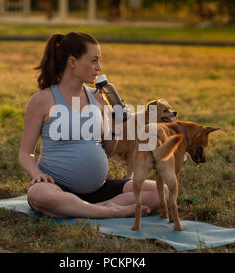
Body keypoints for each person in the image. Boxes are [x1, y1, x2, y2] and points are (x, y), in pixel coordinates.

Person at [19, 32, 169, 218]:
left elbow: (107, 150)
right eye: (93, 61)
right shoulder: (43, 100)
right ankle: (112, 211)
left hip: (99, 189)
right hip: (56, 186)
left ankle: (93, 209)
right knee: (39, 195)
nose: (99, 67)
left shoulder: (99, 98)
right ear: (72, 62)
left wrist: (115, 124)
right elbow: (25, 154)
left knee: (161, 191)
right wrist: (36, 175)